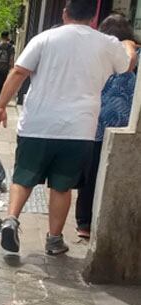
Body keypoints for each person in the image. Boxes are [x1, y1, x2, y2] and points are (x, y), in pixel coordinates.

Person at [0, 0, 137, 256]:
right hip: (78, 129)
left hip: (37, 124)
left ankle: (11, 219)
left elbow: (18, 72)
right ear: (93, 18)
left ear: (65, 13)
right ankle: (54, 240)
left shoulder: (44, 38)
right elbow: (127, 66)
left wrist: (1, 106)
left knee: (23, 177)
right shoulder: (107, 44)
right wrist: (128, 45)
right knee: (61, 186)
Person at [76, 14, 139, 239]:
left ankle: (84, 222)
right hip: (123, 125)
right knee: (111, 174)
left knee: (90, 174)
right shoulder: (133, 53)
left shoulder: (98, 52)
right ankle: (96, 221)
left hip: (95, 121)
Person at [0, 31, 15, 105]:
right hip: (5, 69)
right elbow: (11, 59)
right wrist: (11, 68)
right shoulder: (11, 47)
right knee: (3, 85)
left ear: (1, 37)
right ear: (8, 37)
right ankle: (1, 101)